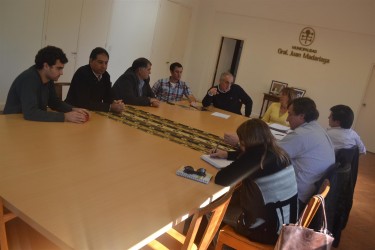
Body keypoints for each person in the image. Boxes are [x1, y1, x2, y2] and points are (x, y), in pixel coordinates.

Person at [213, 119, 297, 244]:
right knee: (236, 196)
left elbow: (222, 179)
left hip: (266, 231)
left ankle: (225, 245)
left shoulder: (255, 157)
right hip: (286, 223)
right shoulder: (278, 152)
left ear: (244, 141)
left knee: (214, 209)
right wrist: (229, 155)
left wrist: (241, 156)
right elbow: (248, 159)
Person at [3, 46, 89, 123]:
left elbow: (54, 102)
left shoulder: (48, 78)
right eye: (59, 68)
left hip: (31, 122)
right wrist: (65, 116)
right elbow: (31, 113)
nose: (62, 73)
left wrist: (73, 109)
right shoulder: (29, 78)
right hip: (14, 123)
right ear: (46, 66)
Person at [278, 97, 335, 208]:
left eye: (290, 114)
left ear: (301, 116)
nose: (287, 119)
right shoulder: (317, 129)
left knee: (256, 174)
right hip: (310, 188)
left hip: (296, 195)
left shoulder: (301, 134)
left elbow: (272, 155)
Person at [65, 47, 124, 113]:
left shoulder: (106, 75)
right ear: (91, 61)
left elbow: (108, 97)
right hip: (73, 110)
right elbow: (83, 103)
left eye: (106, 63)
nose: (104, 66)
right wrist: (110, 107)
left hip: (94, 111)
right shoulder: (82, 73)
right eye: (100, 62)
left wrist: (115, 102)